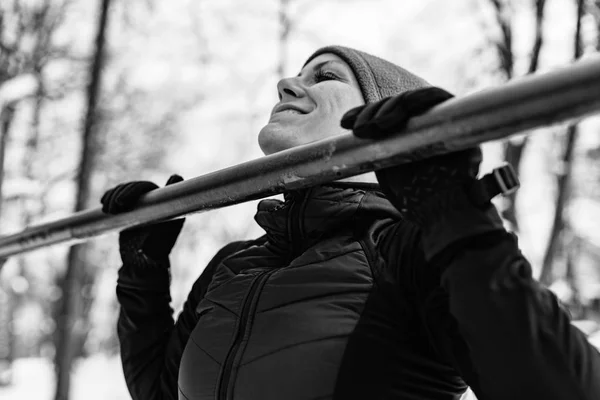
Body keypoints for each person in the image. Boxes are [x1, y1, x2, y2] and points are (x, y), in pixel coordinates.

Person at [101, 46, 600, 400]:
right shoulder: (233, 263)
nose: (288, 83)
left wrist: (456, 217)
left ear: (376, 118)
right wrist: (142, 275)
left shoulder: (413, 251)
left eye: (326, 76)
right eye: (299, 73)